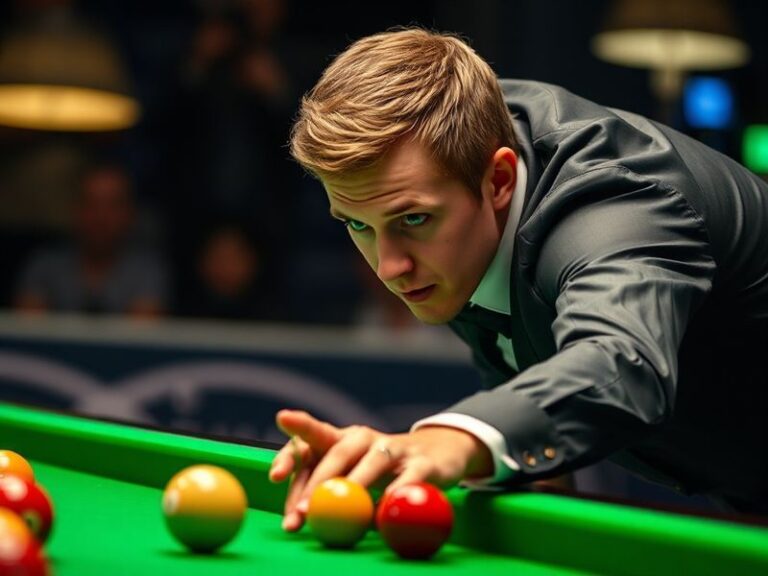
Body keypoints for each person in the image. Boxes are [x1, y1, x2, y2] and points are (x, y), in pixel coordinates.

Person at [268, 27, 768, 530]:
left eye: (412, 220)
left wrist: (455, 438)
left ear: (500, 181)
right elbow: (510, 327)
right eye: (358, 225)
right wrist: (530, 464)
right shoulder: (453, 153)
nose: (388, 267)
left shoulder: (618, 208)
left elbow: (621, 365)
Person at [14, 162, 168, 318]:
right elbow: (29, 331)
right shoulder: (44, 265)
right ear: (75, 209)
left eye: (112, 205)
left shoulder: (147, 271)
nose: (101, 217)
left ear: (130, 214)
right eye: (92, 204)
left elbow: (142, 335)